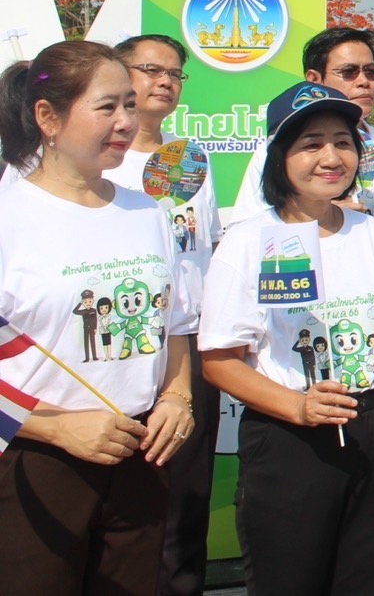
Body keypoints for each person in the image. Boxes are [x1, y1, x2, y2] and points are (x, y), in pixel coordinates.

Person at [200, 83, 374, 595]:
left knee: (363, 583)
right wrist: (298, 407)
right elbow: (219, 360)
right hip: (290, 441)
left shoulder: (372, 233)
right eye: (311, 144)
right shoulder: (248, 241)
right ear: (278, 156)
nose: (331, 157)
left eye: (343, 142)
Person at [0, 41, 196, 593]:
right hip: (34, 461)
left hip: (140, 451)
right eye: (107, 106)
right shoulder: (10, 217)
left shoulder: (147, 211)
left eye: (129, 105)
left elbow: (174, 325)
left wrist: (177, 398)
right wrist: (57, 427)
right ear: (48, 117)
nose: (125, 121)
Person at [109, 34, 224, 596]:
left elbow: (208, 245)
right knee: (127, 501)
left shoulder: (189, 156)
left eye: (175, 74)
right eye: (150, 70)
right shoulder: (100, 161)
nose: (164, 82)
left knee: (187, 496)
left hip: (193, 344)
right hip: (124, 346)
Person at [234, 28, 374, 263]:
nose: (364, 82)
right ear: (314, 79)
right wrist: (321, 215)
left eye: (371, 72)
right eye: (349, 72)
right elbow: (245, 233)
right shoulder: (275, 149)